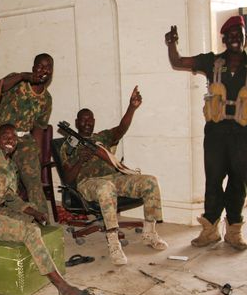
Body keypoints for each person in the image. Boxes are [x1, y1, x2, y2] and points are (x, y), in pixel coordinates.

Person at [0, 81, 106, 295]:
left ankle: (43, 262)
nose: (9, 139)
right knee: (28, 232)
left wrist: (34, 211)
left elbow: (12, 199)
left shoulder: (9, 169)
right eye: (4, 136)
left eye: (13, 137)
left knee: (32, 223)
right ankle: (63, 287)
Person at [165, 16, 247, 250]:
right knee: (213, 182)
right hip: (216, 134)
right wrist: (171, 44)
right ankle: (210, 231)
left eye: (239, 34)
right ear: (224, 39)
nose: (235, 39)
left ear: (246, 38)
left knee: (239, 182)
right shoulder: (211, 61)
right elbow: (177, 61)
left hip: (243, 135)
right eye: (231, 35)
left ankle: (234, 232)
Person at [59, 87, 168, 266]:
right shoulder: (68, 147)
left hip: (114, 177)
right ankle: (114, 242)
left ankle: (149, 233)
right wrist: (79, 160)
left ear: (94, 122)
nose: (87, 123)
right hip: (89, 184)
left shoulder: (102, 137)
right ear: (77, 123)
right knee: (105, 188)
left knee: (150, 181)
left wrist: (132, 107)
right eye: (83, 120)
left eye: (90, 119)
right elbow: (69, 179)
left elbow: (121, 128)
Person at [0, 54, 54, 219]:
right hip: (1, 138)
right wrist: (23, 76)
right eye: (40, 66)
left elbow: (39, 126)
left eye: (48, 67)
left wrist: (36, 151)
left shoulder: (46, 99)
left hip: (24, 141)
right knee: (1, 181)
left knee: (34, 181)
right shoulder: (18, 81)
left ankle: (43, 221)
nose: (44, 70)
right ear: (33, 67)